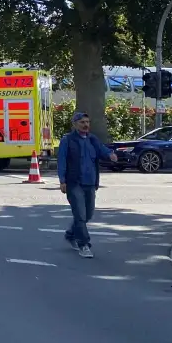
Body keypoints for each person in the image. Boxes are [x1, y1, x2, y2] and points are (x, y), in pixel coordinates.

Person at [57, 111, 117, 259]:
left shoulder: (92, 139)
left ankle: (70, 234)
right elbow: (62, 161)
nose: (85, 125)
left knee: (88, 214)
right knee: (80, 215)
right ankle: (83, 244)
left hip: (90, 182)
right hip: (74, 182)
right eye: (82, 122)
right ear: (75, 124)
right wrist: (62, 180)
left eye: (87, 122)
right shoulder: (68, 140)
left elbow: (102, 150)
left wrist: (110, 154)